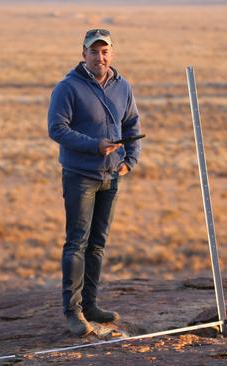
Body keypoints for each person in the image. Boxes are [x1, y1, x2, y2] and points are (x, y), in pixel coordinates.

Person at [47, 28, 142, 337]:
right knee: (77, 242)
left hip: (111, 176)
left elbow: (132, 124)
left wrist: (130, 161)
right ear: (83, 54)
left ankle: (90, 305)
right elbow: (56, 129)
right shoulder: (67, 87)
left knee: (98, 245)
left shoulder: (122, 86)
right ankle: (72, 311)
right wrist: (94, 145)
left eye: (105, 52)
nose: (99, 57)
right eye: (93, 51)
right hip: (80, 176)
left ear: (111, 54)